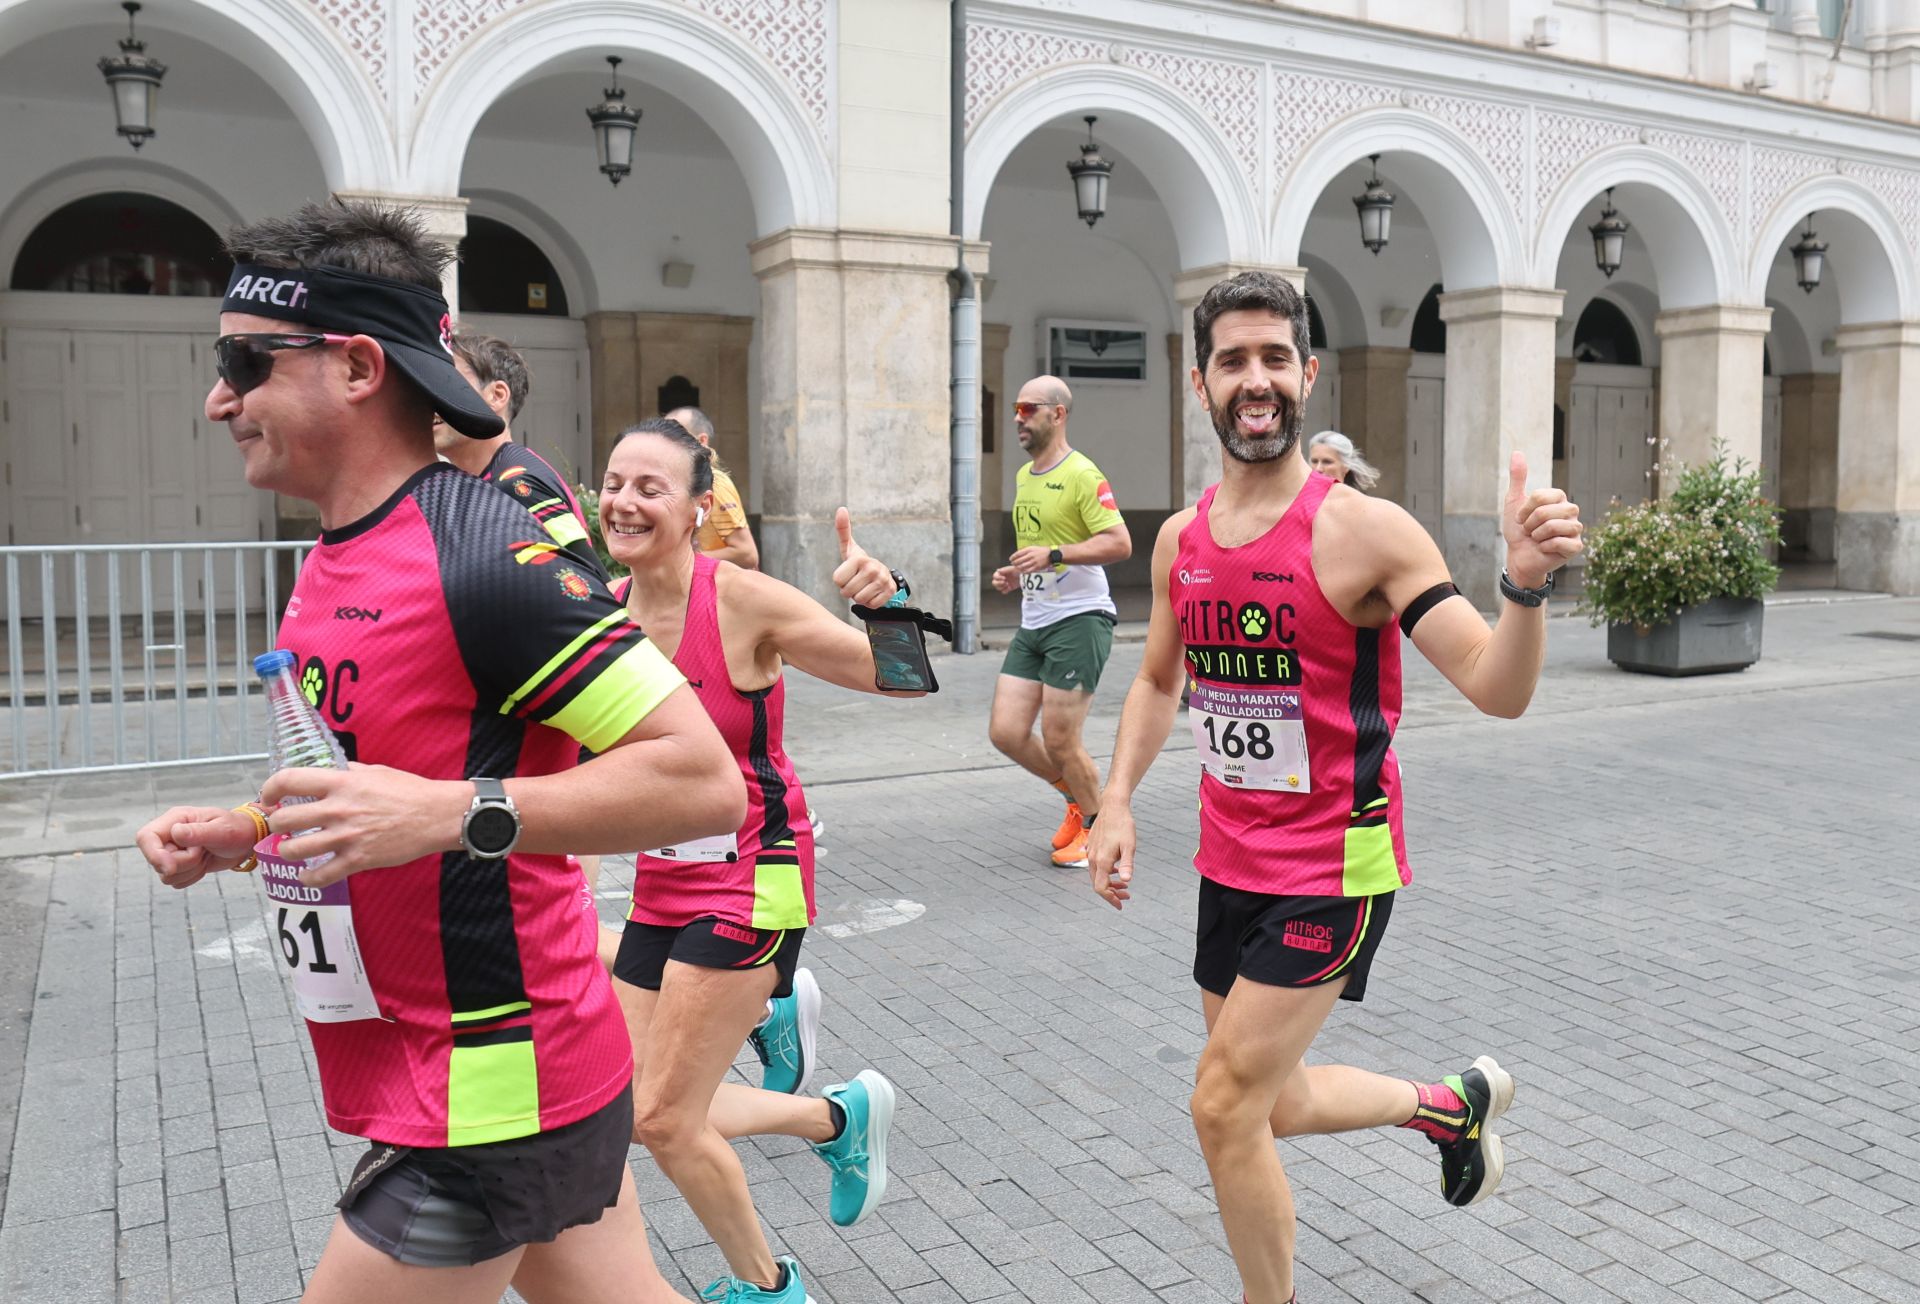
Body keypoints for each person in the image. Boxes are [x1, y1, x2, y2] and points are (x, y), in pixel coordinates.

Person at [133, 200, 746, 1304]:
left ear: (360, 365)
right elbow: (381, 768)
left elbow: (701, 777)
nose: (218, 396)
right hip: (473, 1068)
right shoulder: (337, 549)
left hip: (493, 1084)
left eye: (245, 360)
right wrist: (254, 831)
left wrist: (449, 813)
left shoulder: (487, 554)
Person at [1087, 271, 1583, 1304]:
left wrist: (1525, 586)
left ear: (1308, 373)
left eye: (1275, 357)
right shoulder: (1182, 540)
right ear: (1200, 381)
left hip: (1334, 867)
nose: (1255, 379)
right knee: (1271, 1100)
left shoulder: (1365, 531)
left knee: (1221, 1105)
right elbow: (1153, 678)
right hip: (1230, 859)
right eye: (1234, 360)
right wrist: (1119, 799)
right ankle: (1448, 1106)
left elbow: (1497, 686)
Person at [599, 418, 916, 1304]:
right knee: (629, 1109)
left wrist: (886, 601)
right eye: (614, 482)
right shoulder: (598, 615)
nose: (624, 501)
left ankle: (770, 1287)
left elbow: (901, 679)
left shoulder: (738, 599)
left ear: (701, 508)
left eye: (650, 487)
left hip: (756, 874)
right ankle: (834, 1117)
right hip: (662, 881)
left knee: (664, 1119)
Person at [987, 375, 1131, 870]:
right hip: (1035, 620)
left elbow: (1119, 543)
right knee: (1006, 732)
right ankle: (1077, 800)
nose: (1018, 419)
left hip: (1080, 619)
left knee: (1061, 738)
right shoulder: (1027, 476)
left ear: (1058, 414)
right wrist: (1017, 572)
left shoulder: (1083, 475)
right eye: (1016, 408)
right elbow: (1044, 551)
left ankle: (1097, 828)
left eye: (1028, 409)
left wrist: (1053, 554)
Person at [434, 329, 605, 577]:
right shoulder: (481, 481)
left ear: (497, 395)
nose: (432, 399)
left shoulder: (518, 485)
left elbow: (592, 584)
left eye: (448, 381)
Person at [665, 405, 757, 570]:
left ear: (702, 441)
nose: (666, 446)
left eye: (677, 438)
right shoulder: (680, 480)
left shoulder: (715, 483)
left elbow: (747, 554)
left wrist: (683, 559)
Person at [1306, 430, 1382, 491]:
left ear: (1346, 466)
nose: (1318, 468)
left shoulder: (1358, 504)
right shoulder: (1300, 500)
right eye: (1314, 461)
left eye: (1327, 462)